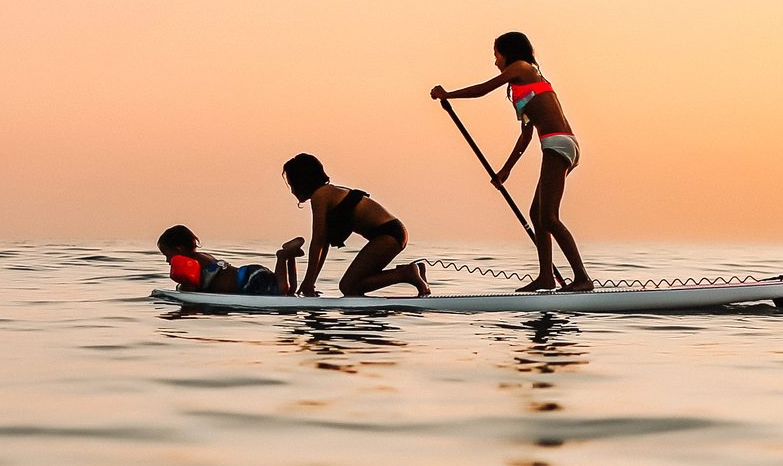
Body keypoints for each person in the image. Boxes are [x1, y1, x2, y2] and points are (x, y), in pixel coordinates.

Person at [432, 30, 591, 292]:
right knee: (537, 215)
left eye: (496, 55)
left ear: (509, 54)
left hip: (558, 143)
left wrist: (447, 94)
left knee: (549, 217)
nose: (495, 62)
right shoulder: (521, 86)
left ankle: (582, 278)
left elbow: (482, 90)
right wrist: (505, 170)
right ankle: (546, 277)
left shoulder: (522, 68)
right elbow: (526, 136)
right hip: (560, 144)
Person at [282, 154, 429, 298]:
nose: (292, 190)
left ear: (302, 181)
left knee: (348, 286)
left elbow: (317, 242)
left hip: (389, 234)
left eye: (292, 184)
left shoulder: (320, 196)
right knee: (351, 286)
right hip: (392, 233)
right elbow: (323, 244)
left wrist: (308, 282)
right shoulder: (327, 193)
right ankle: (411, 273)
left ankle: (406, 274)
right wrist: (310, 282)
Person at [156, 226, 303, 296]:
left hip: (247, 281)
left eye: (168, 255)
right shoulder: (203, 256)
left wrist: (179, 290)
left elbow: (190, 290)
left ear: (179, 249)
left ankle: (282, 256)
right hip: (249, 274)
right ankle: (290, 256)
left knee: (282, 289)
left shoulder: (192, 263)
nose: (168, 261)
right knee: (289, 291)